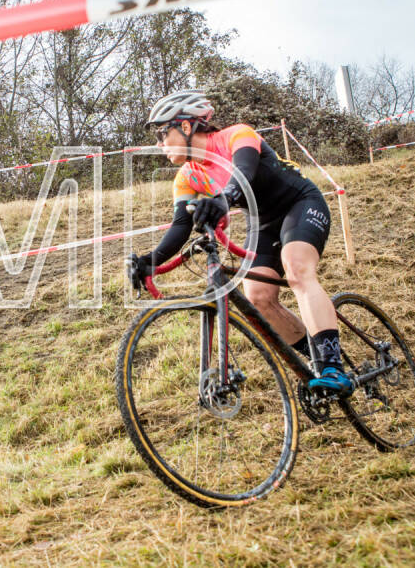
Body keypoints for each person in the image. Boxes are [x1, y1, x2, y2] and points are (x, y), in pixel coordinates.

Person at [125, 90, 352, 395]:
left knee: (296, 268)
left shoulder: (237, 135)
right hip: (263, 222)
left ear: (187, 126)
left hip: (300, 203)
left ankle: (333, 366)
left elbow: (243, 171)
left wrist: (223, 199)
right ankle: (315, 361)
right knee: (257, 297)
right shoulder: (186, 176)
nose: (159, 143)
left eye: (163, 133)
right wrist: (151, 260)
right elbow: (181, 224)